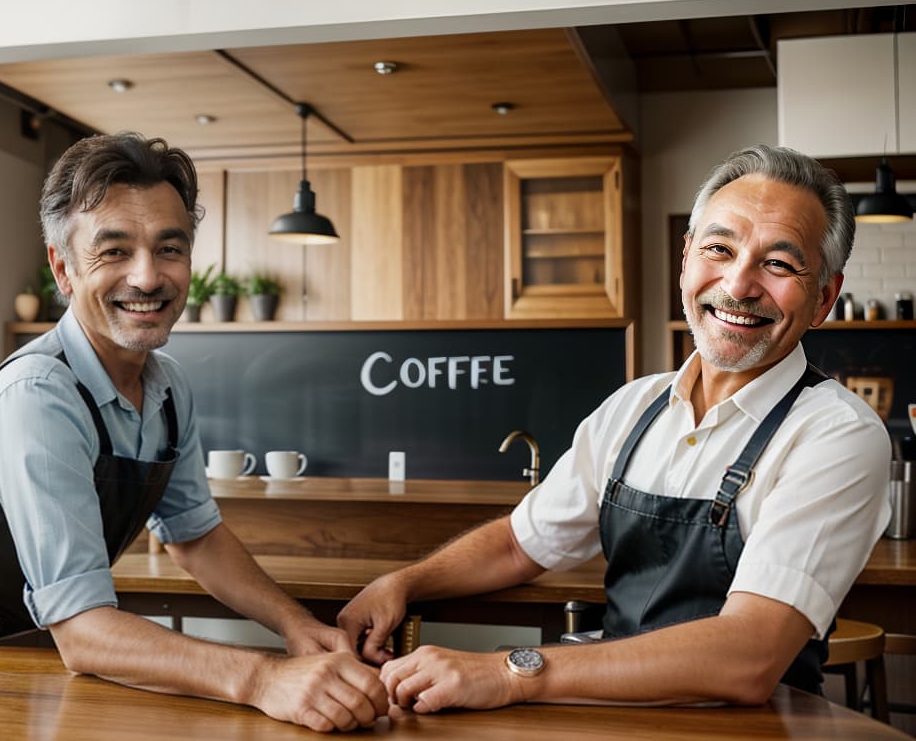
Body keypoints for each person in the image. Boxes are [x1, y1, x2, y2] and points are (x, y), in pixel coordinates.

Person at [338, 145, 891, 713]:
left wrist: (509, 673)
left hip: (754, 727)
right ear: (685, 262)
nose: (739, 284)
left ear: (824, 297)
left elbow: (750, 655)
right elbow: (517, 543)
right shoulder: (633, 408)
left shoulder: (838, 434)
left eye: (778, 263)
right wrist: (402, 583)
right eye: (718, 249)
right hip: (611, 714)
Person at [0, 133, 387, 733]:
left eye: (168, 248)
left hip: (23, 656)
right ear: (63, 268)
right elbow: (83, 630)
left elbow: (195, 537)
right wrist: (263, 677)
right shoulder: (38, 394)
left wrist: (295, 625)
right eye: (115, 251)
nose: (148, 277)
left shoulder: (169, 386)